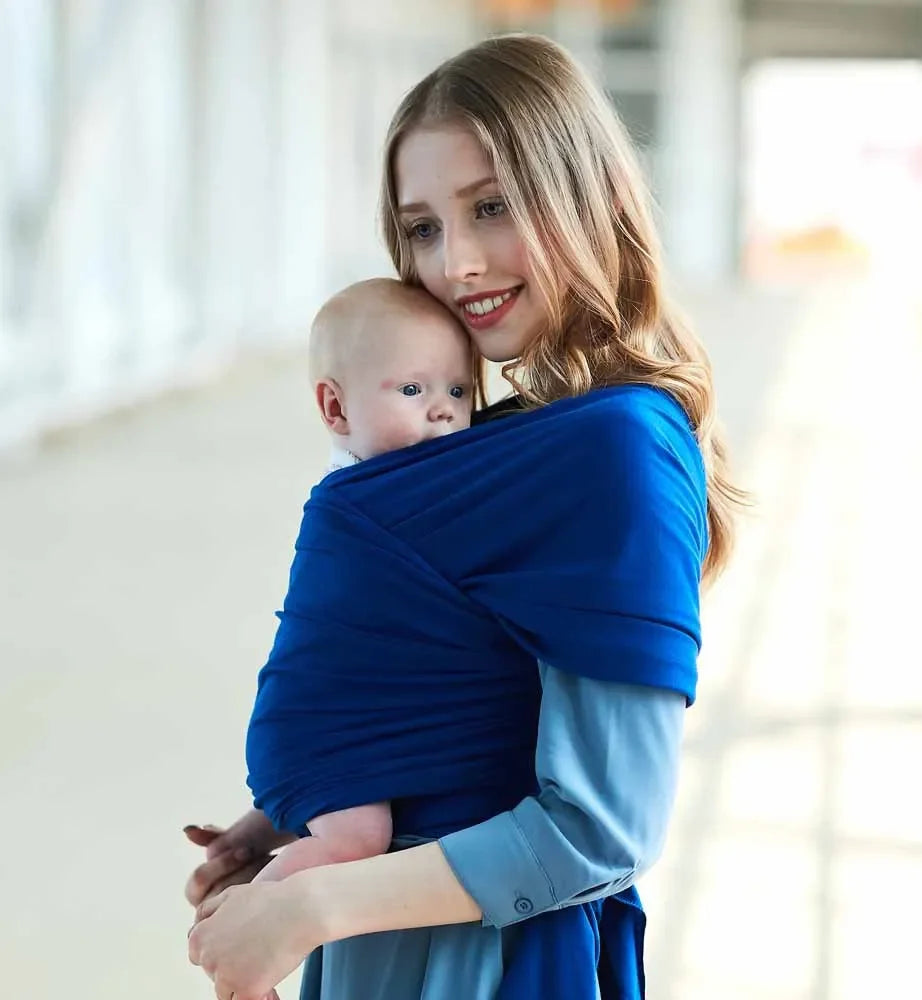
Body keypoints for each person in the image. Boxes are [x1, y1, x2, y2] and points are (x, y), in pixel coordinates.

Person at [185, 33, 742, 1000]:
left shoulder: (613, 447)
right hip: (395, 932)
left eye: (491, 207)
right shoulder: (506, 430)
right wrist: (292, 823)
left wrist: (312, 908)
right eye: (423, 228)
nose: (461, 264)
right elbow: (457, 708)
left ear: (587, 194)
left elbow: (603, 826)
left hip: (488, 958)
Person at [244, 276, 475, 886]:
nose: (443, 407)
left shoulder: (399, 478)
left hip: (356, 721)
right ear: (336, 408)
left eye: (459, 388)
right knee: (358, 840)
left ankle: (251, 861)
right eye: (411, 388)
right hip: (317, 724)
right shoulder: (367, 499)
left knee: (358, 829)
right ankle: (240, 921)